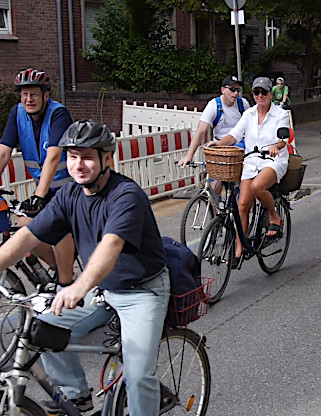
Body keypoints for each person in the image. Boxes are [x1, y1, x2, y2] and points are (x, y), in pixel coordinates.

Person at [0, 120, 170, 415]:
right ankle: (75, 394)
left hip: (142, 292)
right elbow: (28, 236)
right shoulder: (69, 196)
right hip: (103, 290)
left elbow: (111, 245)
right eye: (73, 156)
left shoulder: (126, 196)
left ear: (107, 159)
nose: (78, 165)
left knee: (139, 375)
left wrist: (79, 286)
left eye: (87, 156)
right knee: (44, 327)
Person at [0, 68, 75, 284]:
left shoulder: (58, 114)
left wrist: (39, 196)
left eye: (33, 94)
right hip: (43, 189)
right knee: (25, 226)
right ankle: (56, 269)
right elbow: (4, 151)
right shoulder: (18, 114)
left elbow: (53, 157)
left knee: (58, 228)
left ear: (46, 96)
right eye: (24, 95)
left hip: (69, 188)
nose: (28, 99)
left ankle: (66, 279)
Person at [212, 77, 290, 258]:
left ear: (271, 94)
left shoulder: (280, 114)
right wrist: (217, 146)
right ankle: (240, 246)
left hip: (273, 161)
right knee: (243, 205)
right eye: (257, 92)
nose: (260, 95)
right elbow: (234, 135)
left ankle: (274, 216)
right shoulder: (249, 114)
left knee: (257, 187)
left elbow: (283, 140)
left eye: (264, 92)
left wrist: (275, 146)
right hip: (251, 161)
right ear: (253, 94)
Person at [177, 76, 250, 193]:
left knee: (243, 185)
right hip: (220, 146)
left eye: (238, 90)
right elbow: (200, 131)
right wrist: (189, 156)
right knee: (214, 188)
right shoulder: (214, 105)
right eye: (232, 89)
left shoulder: (243, 104)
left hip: (239, 146)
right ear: (223, 90)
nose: (236, 93)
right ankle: (215, 209)